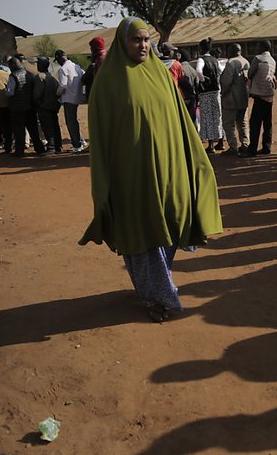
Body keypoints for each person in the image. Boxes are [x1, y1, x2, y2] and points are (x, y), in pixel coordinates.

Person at [79, 16, 222, 322]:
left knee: (167, 229)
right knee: (142, 233)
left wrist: (194, 159)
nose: (142, 45)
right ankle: (160, 296)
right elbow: (102, 135)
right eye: (136, 40)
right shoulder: (108, 81)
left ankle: (155, 287)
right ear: (122, 42)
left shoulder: (160, 73)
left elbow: (182, 122)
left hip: (170, 172)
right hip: (131, 177)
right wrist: (107, 179)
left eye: (146, 40)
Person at [5, 55, 46, 157]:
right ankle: (39, 149)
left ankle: (19, 151)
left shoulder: (13, 76)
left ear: (14, 65)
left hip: (18, 108)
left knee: (19, 131)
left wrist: (5, 90)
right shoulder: (30, 75)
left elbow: (10, 92)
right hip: (30, 106)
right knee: (33, 129)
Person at [242, 39, 276, 157]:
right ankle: (267, 147)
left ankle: (252, 150)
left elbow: (250, 73)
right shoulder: (272, 60)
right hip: (269, 94)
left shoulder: (258, 58)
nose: (256, 49)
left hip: (260, 94)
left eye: (257, 46)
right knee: (267, 123)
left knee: (255, 123)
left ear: (261, 47)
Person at [220, 43, 250, 156]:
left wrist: (223, 93)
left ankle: (233, 146)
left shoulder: (231, 63)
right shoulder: (246, 62)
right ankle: (245, 143)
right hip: (243, 97)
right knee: (243, 122)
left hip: (231, 98)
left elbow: (226, 81)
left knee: (228, 123)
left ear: (231, 51)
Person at [55, 49, 88, 153]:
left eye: (58, 60)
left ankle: (76, 145)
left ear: (60, 58)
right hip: (78, 97)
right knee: (74, 120)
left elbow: (63, 85)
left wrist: (57, 94)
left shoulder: (63, 69)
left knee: (70, 122)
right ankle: (81, 141)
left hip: (69, 99)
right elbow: (84, 77)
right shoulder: (76, 66)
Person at [195, 38, 224, 154]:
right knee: (217, 116)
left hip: (206, 92)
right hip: (216, 91)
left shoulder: (201, 60)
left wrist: (203, 79)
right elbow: (221, 71)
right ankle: (221, 142)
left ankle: (211, 145)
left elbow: (198, 71)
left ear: (201, 49)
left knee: (207, 117)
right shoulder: (215, 60)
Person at [33, 57, 63, 153]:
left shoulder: (40, 77)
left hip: (44, 106)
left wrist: (37, 102)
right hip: (53, 106)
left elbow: (37, 93)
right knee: (55, 126)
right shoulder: (52, 77)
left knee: (47, 126)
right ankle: (58, 146)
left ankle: (51, 146)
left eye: (39, 64)